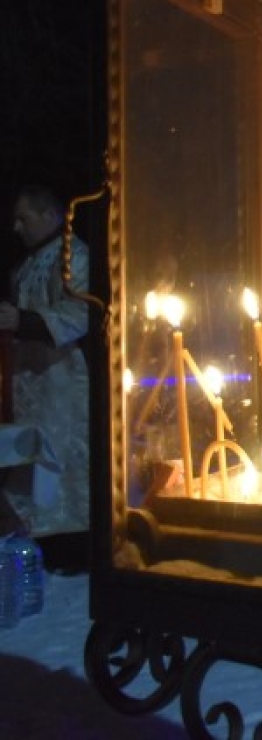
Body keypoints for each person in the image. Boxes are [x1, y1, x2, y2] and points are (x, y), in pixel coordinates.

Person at [0, 183, 91, 573]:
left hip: (62, 379)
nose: (16, 227)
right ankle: (38, 544)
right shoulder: (24, 265)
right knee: (30, 461)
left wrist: (24, 320)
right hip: (27, 377)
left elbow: (81, 313)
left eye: (24, 218)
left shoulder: (75, 256)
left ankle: (73, 548)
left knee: (63, 463)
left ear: (49, 214)